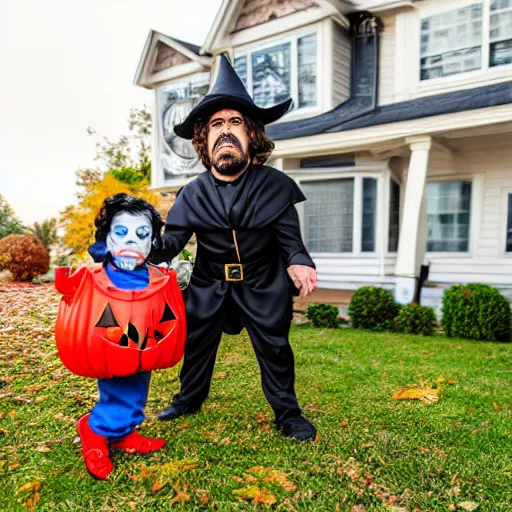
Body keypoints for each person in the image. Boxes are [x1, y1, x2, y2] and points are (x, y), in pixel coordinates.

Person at [152, 55, 318, 441]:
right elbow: (171, 243)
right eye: (216, 125)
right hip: (210, 283)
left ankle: (288, 415)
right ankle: (188, 399)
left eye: (235, 123)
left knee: (275, 350)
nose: (225, 131)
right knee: (196, 344)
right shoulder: (191, 195)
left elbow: (291, 242)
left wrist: (298, 262)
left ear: (251, 135)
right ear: (204, 141)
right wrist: (136, 252)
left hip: (263, 282)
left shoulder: (274, 186)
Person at [54, 194, 186, 479]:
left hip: (144, 348)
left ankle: (125, 434)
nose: (130, 241)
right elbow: (70, 293)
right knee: (119, 392)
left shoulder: (157, 278)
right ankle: (95, 433)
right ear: (108, 239)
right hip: (109, 348)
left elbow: (168, 314)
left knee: (137, 391)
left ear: (152, 242)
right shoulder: (97, 277)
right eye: (121, 232)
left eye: (141, 235)